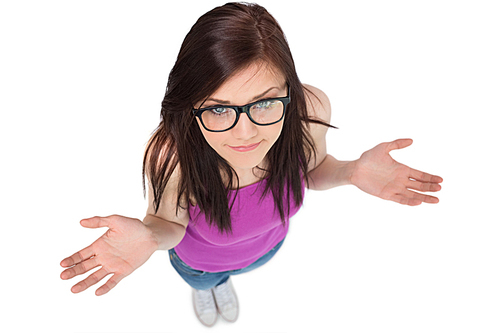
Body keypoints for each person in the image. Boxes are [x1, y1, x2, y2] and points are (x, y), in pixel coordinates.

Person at [60, 2, 443, 327]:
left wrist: (349, 171)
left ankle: (230, 279)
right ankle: (212, 287)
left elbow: (312, 168)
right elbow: (169, 225)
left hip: (268, 247)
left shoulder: (308, 111)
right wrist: (149, 236)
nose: (245, 134)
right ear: (189, 104)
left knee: (241, 269)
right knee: (207, 282)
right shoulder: (171, 154)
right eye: (218, 109)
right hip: (201, 265)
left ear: (288, 91)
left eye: (264, 103)